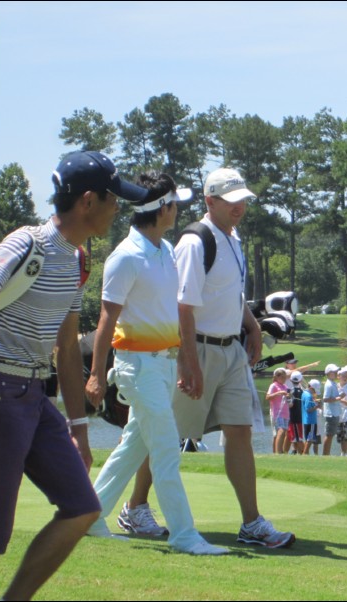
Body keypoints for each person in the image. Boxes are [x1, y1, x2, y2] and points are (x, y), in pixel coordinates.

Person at [0, 151, 147, 599]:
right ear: (89, 202)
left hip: (35, 397)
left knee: (80, 509)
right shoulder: (27, 244)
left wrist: (78, 427)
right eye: (114, 199)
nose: (119, 209)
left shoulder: (77, 261)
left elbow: (66, 346)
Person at [83, 172, 226, 555]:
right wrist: (96, 375)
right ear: (161, 209)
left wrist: (183, 363)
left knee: (132, 448)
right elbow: (106, 321)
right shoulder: (125, 258)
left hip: (162, 365)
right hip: (137, 368)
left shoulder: (164, 250)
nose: (178, 210)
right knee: (165, 450)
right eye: (175, 204)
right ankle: (184, 535)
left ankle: (88, 516)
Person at [172, 167, 294, 548]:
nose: (240, 207)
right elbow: (183, 307)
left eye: (242, 200)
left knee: (239, 431)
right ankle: (136, 506)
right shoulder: (196, 241)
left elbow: (231, 294)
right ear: (210, 201)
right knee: (168, 434)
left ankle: (251, 523)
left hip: (231, 350)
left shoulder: (233, 238)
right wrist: (188, 361)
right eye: (231, 201)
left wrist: (253, 326)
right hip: (199, 348)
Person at [266, 368, 291, 454]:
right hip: (277, 413)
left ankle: (278, 451)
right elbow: (268, 397)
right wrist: (278, 393)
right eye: (282, 377)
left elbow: (289, 402)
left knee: (282, 433)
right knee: (281, 431)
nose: (284, 379)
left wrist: (289, 397)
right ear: (276, 377)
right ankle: (278, 452)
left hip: (286, 413)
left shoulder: (285, 387)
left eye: (285, 377)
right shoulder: (274, 385)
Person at [321, 364, 342, 456]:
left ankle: (326, 454)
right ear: (329, 373)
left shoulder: (333, 383)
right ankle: (325, 455)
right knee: (329, 435)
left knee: (331, 435)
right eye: (334, 372)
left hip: (334, 413)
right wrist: (337, 398)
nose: (336, 373)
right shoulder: (329, 384)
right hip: (331, 414)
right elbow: (325, 399)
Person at [302, 379, 322, 455]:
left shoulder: (304, 393)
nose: (315, 392)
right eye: (314, 390)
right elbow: (308, 409)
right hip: (311, 420)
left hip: (306, 420)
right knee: (310, 439)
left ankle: (305, 453)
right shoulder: (309, 396)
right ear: (311, 388)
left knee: (309, 438)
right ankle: (305, 453)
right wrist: (317, 406)